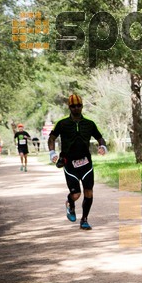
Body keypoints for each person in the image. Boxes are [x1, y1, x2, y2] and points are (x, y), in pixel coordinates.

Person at [48, 94, 107, 230]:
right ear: (69, 107)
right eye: (73, 106)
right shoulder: (62, 123)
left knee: (89, 192)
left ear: (82, 106)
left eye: (78, 105)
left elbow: (100, 138)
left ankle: (84, 219)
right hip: (69, 163)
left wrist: (103, 147)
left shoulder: (89, 123)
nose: (76, 108)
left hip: (86, 163)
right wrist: (52, 153)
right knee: (76, 194)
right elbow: (51, 138)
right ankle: (70, 203)